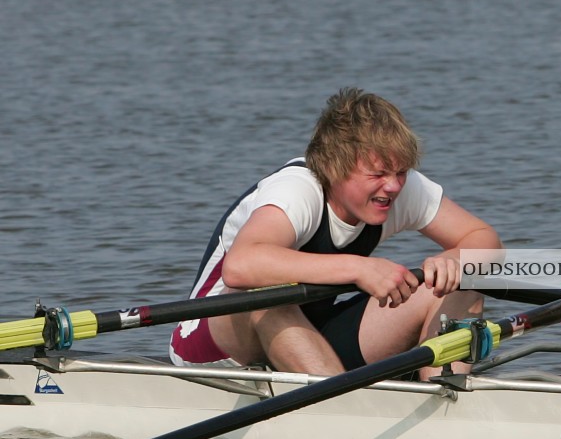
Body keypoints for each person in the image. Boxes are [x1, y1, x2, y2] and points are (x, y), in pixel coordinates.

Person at [169, 87, 502, 377]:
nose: (393, 185)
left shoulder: (398, 186)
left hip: (309, 332)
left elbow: (485, 240)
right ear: (334, 167)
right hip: (213, 342)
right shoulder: (296, 190)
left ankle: (444, 400)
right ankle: (343, 409)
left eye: (401, 172)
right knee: (263, 291)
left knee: (461, 278)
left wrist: (451, 260)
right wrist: (359, 268)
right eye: (378, 173)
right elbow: (241, 266)